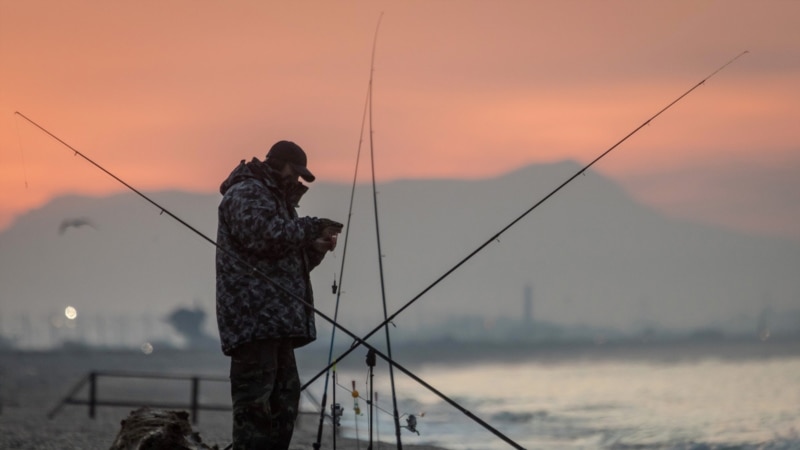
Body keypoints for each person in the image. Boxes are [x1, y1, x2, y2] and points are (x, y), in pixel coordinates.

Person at [215, 140, 342, 449]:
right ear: (278, 163)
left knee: (285, 403)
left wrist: (315, 250)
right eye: (294, 172)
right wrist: (312, 227)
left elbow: (285, 262)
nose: (296, 180)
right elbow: (265, 238)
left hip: (278, 324)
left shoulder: (275, 200)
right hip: (253, 321)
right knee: (254, 407)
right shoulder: (246, 192)